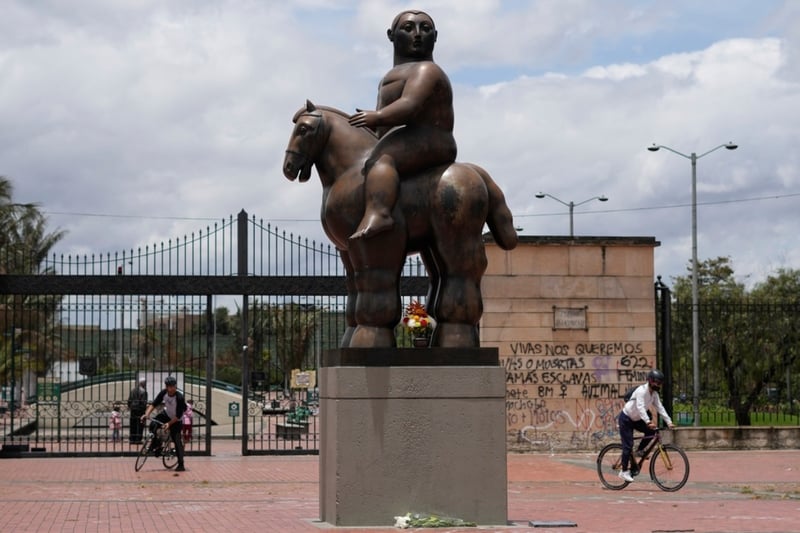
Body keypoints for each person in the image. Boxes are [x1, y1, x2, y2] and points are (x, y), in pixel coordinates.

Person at [348, 9, 457, 239]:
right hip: (406, 138)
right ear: (391, 35)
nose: (417, 34)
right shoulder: (392, 75)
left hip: (431, 139)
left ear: (435, 36)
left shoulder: (427, 70)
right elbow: (385, 124)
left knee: (382, 159)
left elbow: (409, 105)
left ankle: (381, 214)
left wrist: (376, 117)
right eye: (408, 28)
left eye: (425, 29)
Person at [618, 369, 675, 483]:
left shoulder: (654, 394)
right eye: (656, 383)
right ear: (650, 381)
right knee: (628, 446)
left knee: (652, 432)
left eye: (660, 383)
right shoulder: (641, 391)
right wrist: (648, 421)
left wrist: (669, 421)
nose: (658, 385)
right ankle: (623, 471)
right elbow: (640, 407)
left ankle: (639, 451)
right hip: (626, 418)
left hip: (637, 419)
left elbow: (660, 408)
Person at [141, 376, 187, 471]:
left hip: (176, 419)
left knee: (176, 440)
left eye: (172, 387)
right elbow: (154, 404)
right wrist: (146, 414)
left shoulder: (179, 397)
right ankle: (156, 445)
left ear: (175, 386)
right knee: (153, 424)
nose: (170, 389)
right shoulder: (164, 392)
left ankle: (181, 463)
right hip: (167, 414)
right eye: (168, 387)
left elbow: (178, 416)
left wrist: (169, 424)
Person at [127, 377, 148, 444]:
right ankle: (138, 439)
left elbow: (129, 400)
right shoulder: (144, 392)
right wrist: (144, 409)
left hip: (133, 409)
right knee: (140, 424)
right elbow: (143, 402)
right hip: (140, 409)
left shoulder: (133, 390)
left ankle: (132, 439)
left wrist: (130, 406)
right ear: (143, 383)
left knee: (133, 424)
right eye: (145, 383)